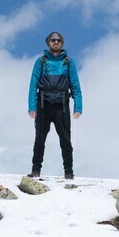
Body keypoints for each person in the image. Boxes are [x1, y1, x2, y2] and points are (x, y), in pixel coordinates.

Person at [28, 31, 82, 180]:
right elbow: (33, 85)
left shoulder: (68, 62)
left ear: (62, 43)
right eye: (53, 40)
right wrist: (32, 107)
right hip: (43, 105)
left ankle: (69, 172)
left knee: (66, 141)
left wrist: (78, 106)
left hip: (62, 107)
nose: (56, 42)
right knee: (39, 140)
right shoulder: (41, 61)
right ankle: (35, 171)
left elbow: (75, 85)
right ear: (48, 43)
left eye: (58, 40)